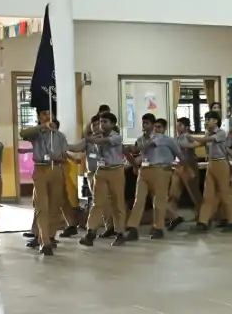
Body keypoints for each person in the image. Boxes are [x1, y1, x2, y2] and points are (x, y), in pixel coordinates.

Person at [19, 108, 76, 255]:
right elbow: (22, 134)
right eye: (43, 114)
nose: (47, 116)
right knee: (42, 205)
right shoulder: (36, 134)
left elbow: (64, 155)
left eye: (49, 113)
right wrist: (41, 126)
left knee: (55, 205)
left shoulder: (60, 136)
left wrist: (59, 157)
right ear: (39, 117)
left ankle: (50, 236)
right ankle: (44, 240)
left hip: (56, 170)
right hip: (41, 169)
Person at [126, 113, 182, 240]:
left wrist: (177, 166)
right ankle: (133, 228)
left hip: (160, 170)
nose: (144, 126)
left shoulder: (163, 139)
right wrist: (133, 161)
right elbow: (138, 154)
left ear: (152, 125)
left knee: (159, 201)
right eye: (143, 123)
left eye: (147, 123)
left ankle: (158, 227)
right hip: (144, 171)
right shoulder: (140, 138)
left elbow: (179, 154)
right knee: (138, 200)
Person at [82, 112, 130, 246]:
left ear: (113, 124)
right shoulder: (97, 135)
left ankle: (120, 232)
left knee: (117, 202)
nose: (102, 124)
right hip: (101, 171)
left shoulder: (117, 137)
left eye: (105, 122)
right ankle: (90, 232)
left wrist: (88, 134)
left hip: (116, 171)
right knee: (98, 203)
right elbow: (87, 142)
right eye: (101, 122)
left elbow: (97, 141)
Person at [190, 111, 232, 231]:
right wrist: (183, 143)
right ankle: (203, 222)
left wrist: (190, 136)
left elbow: (207, 140)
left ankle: (231, 221)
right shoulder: (207, 133)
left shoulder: (221, 133)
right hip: (211, 163)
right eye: (205, 120)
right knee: (208, 194)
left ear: (215, 121)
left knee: (225, 193)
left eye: (208, 120)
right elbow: (198, 143)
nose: (205, 122)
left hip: (221, 163)